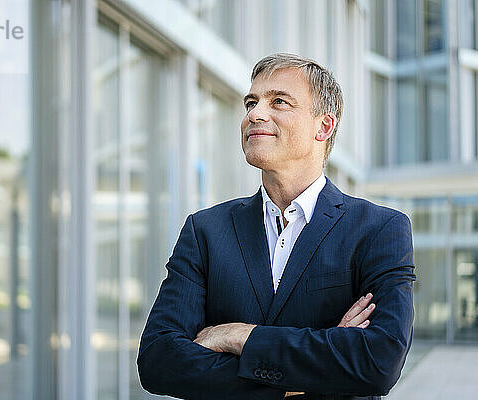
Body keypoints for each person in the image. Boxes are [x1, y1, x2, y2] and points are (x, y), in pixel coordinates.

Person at [137, 53, 415, 400]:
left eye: (279, 101)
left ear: (323, 126)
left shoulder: (379, 229)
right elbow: (158, 360)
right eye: (251, 102)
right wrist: (311, 372)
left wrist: (237, 336)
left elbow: (378, 362)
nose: (254, 114)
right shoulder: (205, 231)